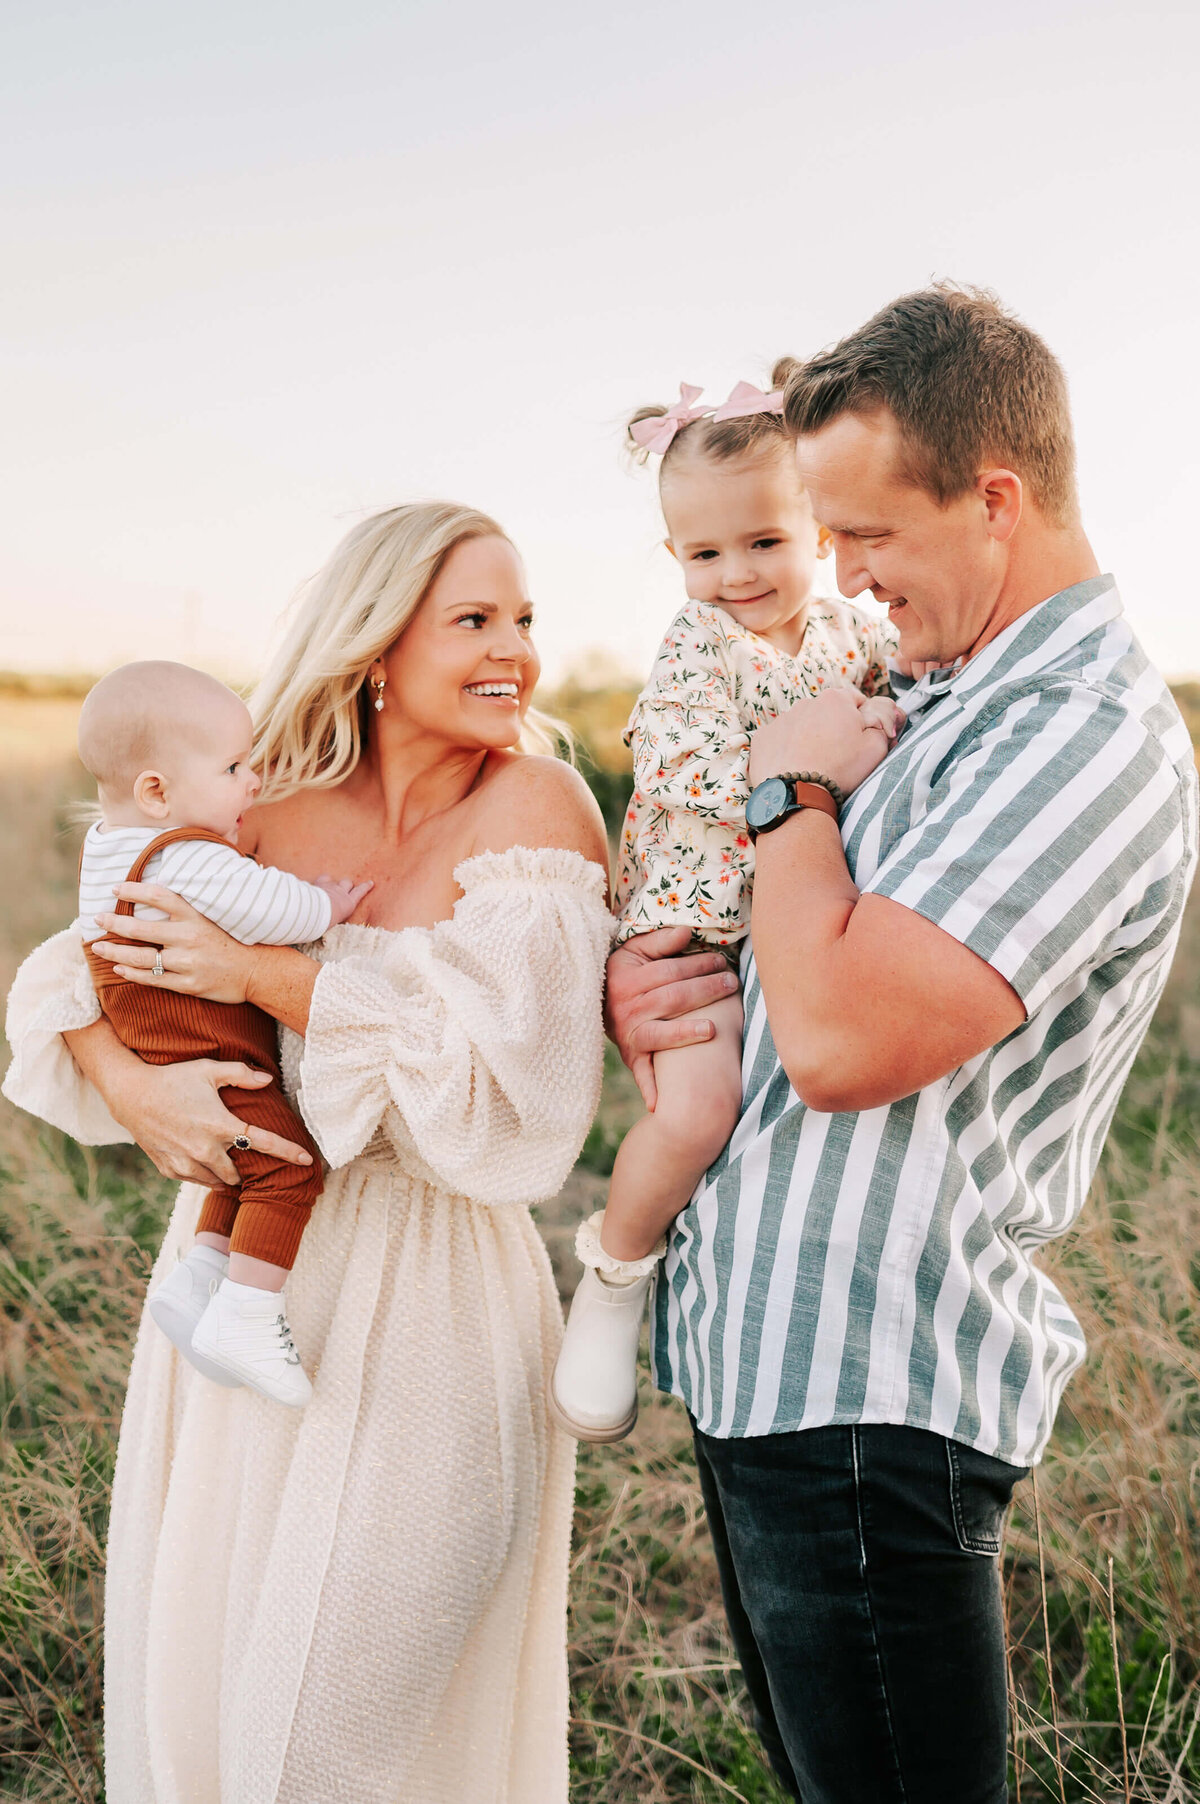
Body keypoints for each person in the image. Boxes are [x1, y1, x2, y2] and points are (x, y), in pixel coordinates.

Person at [604, 286, 1199, 1803]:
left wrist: (788, 791)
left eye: (865, 534)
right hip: (765, 1356)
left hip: (872, 1382)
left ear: (997, 498)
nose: (844, 580)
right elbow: (782, 958)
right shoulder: (936, 692)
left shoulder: (1076, 727)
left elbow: (849, 1039)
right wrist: (656, 991)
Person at [3, 502, 612, 1804]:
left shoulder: (544, 813)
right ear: (380, 646)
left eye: (524, 620)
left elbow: (516, 1101)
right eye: (474, 620)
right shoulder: (261, 800)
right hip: (243, 1297)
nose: (514, 651)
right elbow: (77, 959)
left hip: (440, 1308)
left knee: (321, 1753)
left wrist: (271, 976)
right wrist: (126, 1077)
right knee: (213, 1704)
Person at [550, 376, 900, 1443]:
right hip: (696, 921)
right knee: (700, 1110)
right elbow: (675, 761)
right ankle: (614, 1273)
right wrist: (806, 774)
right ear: (674, 559)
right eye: (704, 555)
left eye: (762, 543)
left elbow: (896, 709)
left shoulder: (851, 633)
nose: (735, 575)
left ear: (818, 531)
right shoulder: (700, 647)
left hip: (796, 907)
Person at [76, 660, 372, 1405]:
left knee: (242, 1151)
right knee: (287, 1161)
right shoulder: (187, 854)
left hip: (156, 1026)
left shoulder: (112, 842)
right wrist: (325, 905)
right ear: (158, 791)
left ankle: (202, 1275)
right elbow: (273, 913)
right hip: (194, 1027)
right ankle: (248, 1313)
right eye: (234, 767)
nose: (253, 782)